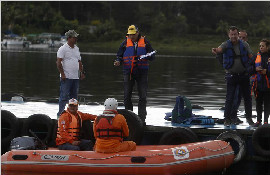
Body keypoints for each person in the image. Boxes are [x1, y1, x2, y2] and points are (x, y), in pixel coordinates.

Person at [212, 26, 254, 126]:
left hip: (244, 75)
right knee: (230, 98)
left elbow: (251, 57)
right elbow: (220, 49)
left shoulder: (244, 44)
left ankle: (249, 118)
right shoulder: (225, 44)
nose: (234, 36)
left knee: (247, 98)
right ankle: (227, 119)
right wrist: (216, 50)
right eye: (232, 34)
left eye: (235, 34)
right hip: (232, 76)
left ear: (237, 35)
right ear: (229, 35)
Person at [114, 25, 156, 124]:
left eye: (133, 34)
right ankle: (129, 117)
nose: (131, 36)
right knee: (127, 95)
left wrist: (148, 56)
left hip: (142, 72)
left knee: (143, 96)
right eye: (130, 35)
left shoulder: (145, 42)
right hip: (128, 72)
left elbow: (153, 56)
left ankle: (141, 118)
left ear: (137, 33)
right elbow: (119, 56)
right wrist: (118, 61)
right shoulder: (125, 43)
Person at [56, 30, 85, 117]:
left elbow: (79, 61)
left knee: (74, 98)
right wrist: (63, 74)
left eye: (76, 37)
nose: (76, 39)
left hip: (75, 77)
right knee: (64, 96)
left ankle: (73, 114)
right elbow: (58, 62)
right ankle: (60, 114)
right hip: (66, 77)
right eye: (74, 37)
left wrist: (82, 72)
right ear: (69, 38)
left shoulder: (76, 48)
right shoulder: (62, 49)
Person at [252, 39, 270, 127]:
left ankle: (266, 121)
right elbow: (249, 69)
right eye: (260, 46)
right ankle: (258, 120)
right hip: (258, 85)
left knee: (267, 104)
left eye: (263, 46)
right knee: (258, 103)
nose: (261, 47)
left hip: (268, 86)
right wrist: (255, 69)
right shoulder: (256, 56)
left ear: (268, 47)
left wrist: (266, 72)